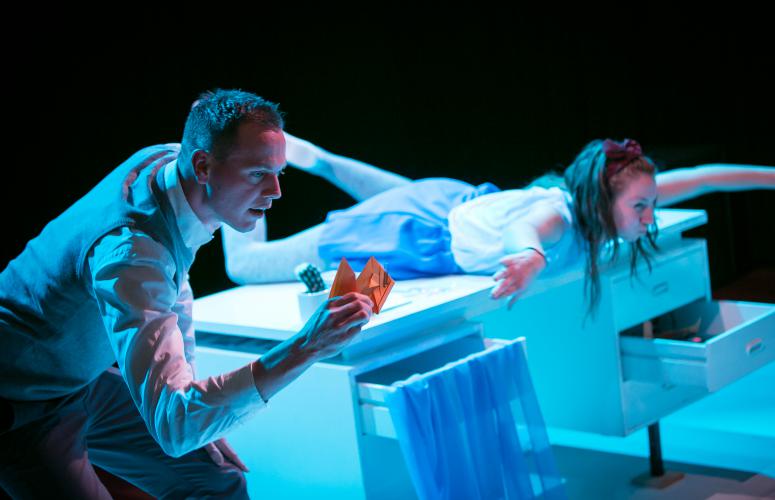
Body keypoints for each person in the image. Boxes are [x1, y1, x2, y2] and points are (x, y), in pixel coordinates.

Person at [0, 89, 373, 499]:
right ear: (203, 167)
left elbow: (174, 284)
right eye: (257, 174)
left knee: (216, 479)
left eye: (277, 173)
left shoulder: (175, 164)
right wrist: (307, 346)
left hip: (81, 374)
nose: (275, 191)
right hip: (21, 398)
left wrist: (197, 405)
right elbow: (176, 425)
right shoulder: (132, 253)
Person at [223, 134, 775, 312]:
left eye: (650, 205)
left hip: (445, 202)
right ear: (604, 200)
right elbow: (527, 231)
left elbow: (704, 177)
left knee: (399, 196)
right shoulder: (560, 214)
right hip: (413, 240)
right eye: (641, 208)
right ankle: (239, 170)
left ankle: (320, 160)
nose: (650, 217)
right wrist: (529, 258)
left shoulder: (606, 196)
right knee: (244, 265)